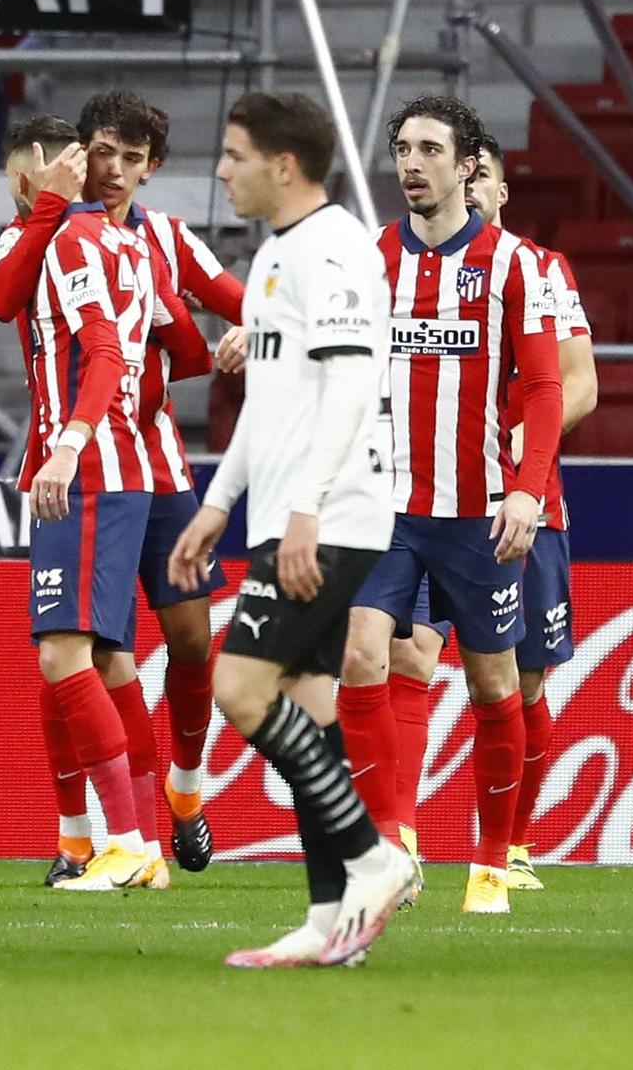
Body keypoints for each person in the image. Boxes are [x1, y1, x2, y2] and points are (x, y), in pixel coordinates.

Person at [168, 91, 414, 968]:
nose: (222, 170)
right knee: (310, 706)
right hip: (286, 511)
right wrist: (215, 504)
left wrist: (307, 506)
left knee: (241, 688)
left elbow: (352, 386)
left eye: (234, 155)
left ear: (284, 164)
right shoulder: (278, 255)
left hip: (331, 515)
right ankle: (328, 916)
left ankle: (374, 858)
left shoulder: (337, 249)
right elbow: (271, 406)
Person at [0, 93, 236, 885]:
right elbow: (4, 302)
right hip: (97, 452)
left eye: (133, 158)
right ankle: (83, 835)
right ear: (77, 160)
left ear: (150, 167)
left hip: (131, 462)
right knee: (93, 652)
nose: (116, 170)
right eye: (104, 154)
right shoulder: (48, 234)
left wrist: (243, 335)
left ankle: (177, 803)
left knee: (171, 641)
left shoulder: (156, 239)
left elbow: (195, 335)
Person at [336, 96, 564, 917]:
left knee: (493, 681)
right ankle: (391, 839)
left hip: (477, 512)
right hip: (386, 507)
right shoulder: (374, 257)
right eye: (402, 148)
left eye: (429, 149)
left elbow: (543, 386)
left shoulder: (513, 266)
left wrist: (530, 488)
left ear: (468, 166)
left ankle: (493, 864)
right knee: (363, 652)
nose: (411, 163)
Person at [386, 141, 597, 892]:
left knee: (519, 681)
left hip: (519, 498)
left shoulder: (537, 269)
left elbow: (578, 384)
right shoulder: (396, 260)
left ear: (501, 192)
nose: (465, 187)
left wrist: (524, 461)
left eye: (479, 176)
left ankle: (506, 845)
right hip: (418, 500)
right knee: (406, 652)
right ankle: (399, 841)